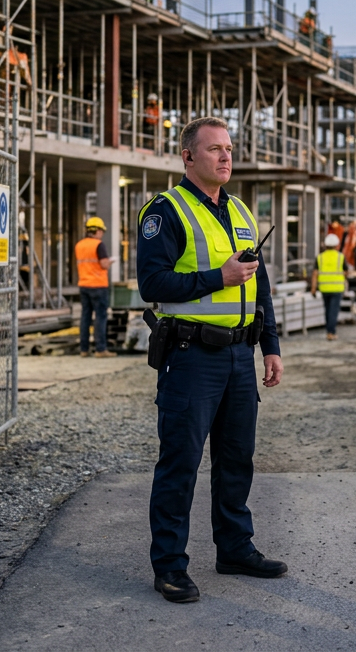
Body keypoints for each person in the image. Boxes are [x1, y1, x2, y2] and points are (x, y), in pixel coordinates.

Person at [136, 115, 286, 604]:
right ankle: (170, 567)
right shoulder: (166, 211)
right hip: (191, 355)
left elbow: (258, 284)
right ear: (187, 156)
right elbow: (153, 285)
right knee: (180, 463)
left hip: (241, 355)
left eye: (228, 148)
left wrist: (271, 346)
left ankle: (235, 548)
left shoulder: (241, 211)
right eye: (214, 149)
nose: (225, 156)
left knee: (236, 458)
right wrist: (215, 278)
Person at [76, 217, 115, 358]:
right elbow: (104, 264)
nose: (102, 234)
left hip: (84, 285)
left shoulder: (79, 245)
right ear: (97, 231)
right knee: (100, 317)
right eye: (102, 231)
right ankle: (100, 349)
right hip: (98, 285)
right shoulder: (99, 245)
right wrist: (111, 261)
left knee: (85, 317)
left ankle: (84, 349)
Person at [310, 232, 347, 340]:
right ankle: (331, 332)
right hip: (337, 288)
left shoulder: (320, 257)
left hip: (324, 288)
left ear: (325, 245)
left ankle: (329, 331)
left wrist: (313, 288)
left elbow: (315, 273)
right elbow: (346, 272)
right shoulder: (340, 257)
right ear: (337, 245)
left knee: (327, 310)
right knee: (333, 311)